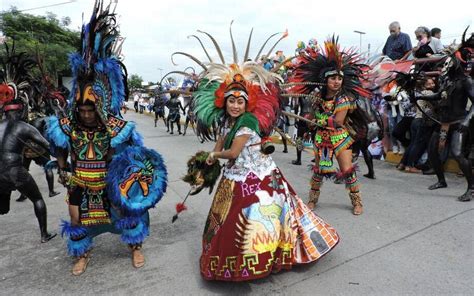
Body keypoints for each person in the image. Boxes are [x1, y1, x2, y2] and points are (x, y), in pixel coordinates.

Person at [184, 26, 339, 281]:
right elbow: (219, 147)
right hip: (234, 177)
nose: (235, 105)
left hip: (258, 179)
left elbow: (231, 152)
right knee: (224, 221)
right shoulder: (225, 122)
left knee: (253, 223)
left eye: (240, 101)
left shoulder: (247, 123)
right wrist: (205, 166)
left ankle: (254, 265)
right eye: (231, 101)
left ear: (247, 104)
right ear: (225, 102)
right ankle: (228, 266)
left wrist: (214, 156)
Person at [47, 1, 167, 275]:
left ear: (101, 105)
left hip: (109, 182)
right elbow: (60, 147)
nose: (87, 114)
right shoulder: (67, 125)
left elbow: (136, 158)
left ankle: (135, 247)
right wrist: (64, 167)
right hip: (80, 182)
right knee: (76, 218)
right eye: (83, 109)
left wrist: (128, 176)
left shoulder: (118, 128)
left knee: (127, 214)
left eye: (91, 109)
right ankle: (82, 254)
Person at [290, 37, 370, 215]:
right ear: (325, 80)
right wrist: (308, 123)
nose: (337, 82)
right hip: (322, 139)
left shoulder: (344, 98)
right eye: (333, 78)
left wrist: (318, 121)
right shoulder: (317, 98)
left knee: (347, 170)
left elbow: (338, 122)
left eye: (339, 79)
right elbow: (311, 117)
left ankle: (357, 202)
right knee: (318, 171)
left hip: (340, 138)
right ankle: (312, 200)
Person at [412, 29, 473, 201]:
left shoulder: (466, 81)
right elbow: (439, 96)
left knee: (458, 154)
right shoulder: (447, 81)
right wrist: (420, 96)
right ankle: (441, 180)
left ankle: (472, 188)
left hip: (460, 122)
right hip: (444, 122)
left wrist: (467, 121)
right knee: (432, 151)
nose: (446, 65)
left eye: (449, 62)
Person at [0, 99, 57, 243]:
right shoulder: (23, 126)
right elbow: (46, 145)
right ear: (20, 112)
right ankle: (44, 235)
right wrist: (62, 159)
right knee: (37, 199)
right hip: (14, 170)